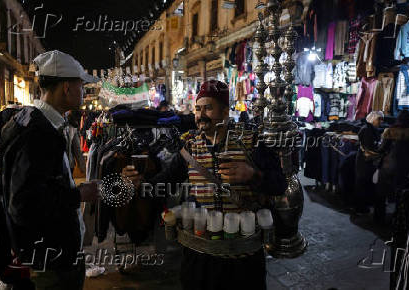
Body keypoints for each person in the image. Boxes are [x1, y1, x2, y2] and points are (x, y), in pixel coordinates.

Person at [122, 80, 287, 290]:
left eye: (208, 108)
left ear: (226, 111)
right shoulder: (189, 148)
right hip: (200, 256)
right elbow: (163, 183)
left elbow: (279, 185)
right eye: (197, 109)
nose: (200, 115)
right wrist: (138, 185)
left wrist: (254, 175)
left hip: (243, 258)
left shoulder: (252, 142)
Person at [0, 50, 100, 290]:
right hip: (50, 264)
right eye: (81, 85)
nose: (83, 91)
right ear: (66, 88)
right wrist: (79, 195)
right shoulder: (39, 133)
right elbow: (23, 204)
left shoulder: (32, 121)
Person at [376, 110, 409, 222]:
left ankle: (379, 217)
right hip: (405, 166)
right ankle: (399, 219)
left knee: (381, 192)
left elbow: (382, 149)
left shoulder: (390, 131)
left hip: (388, 165)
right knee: (402, 193)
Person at [354, 111, 384, 214]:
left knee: (365, 182)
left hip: (367, 160)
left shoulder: (371, 129)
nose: (381, 121)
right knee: (362, 182)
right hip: (364, 160)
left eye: (381, 119)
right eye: (379, 119)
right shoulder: (367, 130)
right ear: (373, 119)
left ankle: (363, 205)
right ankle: (360, 207)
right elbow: (368, 147)